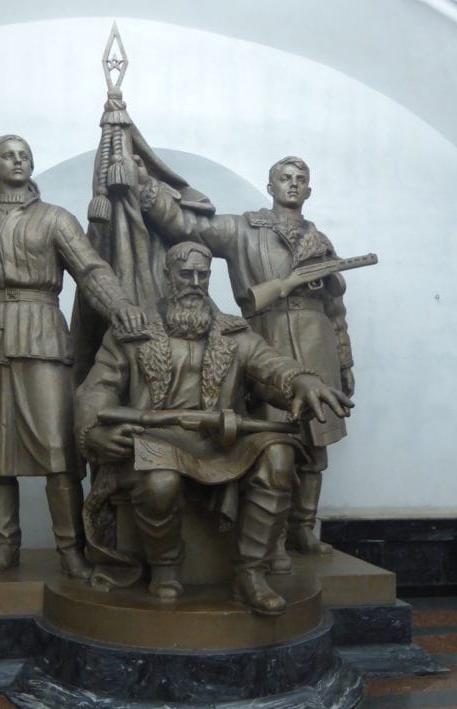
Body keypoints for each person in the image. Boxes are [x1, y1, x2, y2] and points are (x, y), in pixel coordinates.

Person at [75, 241, 352, 615]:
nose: (194, 282)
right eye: (185, 274)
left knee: (279, 456)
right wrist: (94, 430)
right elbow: (97, 388)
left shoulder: (232, 332)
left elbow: (270, 366)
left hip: (219, 441)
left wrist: (301, 380)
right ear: (167, 275)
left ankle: (250, 573)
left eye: (202, 275)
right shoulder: (134, 332)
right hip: (153, 440)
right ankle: (166, 568)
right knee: (160, 482)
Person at [0, 135, 144, 578]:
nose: (19, 160)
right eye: (9, 155)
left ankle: (70, 550)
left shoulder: (55, 219)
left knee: (59, 452)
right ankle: (5, 545)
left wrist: (120, 306)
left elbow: (90, 270)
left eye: (25, 154)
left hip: (43, 336)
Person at [135, 155, 354, 562]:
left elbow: (336, 309)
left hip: (317, 339)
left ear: (309, 189)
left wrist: (344, 362)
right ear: (269, 187)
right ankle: (270, 544)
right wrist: (147, 188)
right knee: (271, 441)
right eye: (284, 178)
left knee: (316, 441)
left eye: (300, 179)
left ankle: (303, 527)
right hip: (266, 337)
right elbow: (189, 227)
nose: (292, 184)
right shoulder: (243, 228)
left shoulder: (319, 241)